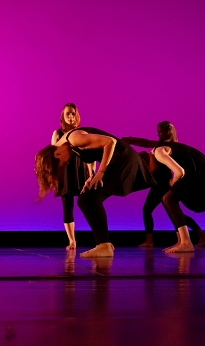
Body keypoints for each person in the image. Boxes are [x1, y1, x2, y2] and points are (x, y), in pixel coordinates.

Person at [36, 127, 165, 258]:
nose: (66, 163)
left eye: (62, 164)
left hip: (122, 160)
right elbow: (93, 151)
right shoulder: (69, 145)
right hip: (119, 161)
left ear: (57, 155)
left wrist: (101, 172)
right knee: (87, 198)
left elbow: (110, 142)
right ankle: (104, 244)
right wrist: (91, 177)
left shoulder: (74, 139)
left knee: (87, 199)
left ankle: (104, 245)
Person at [124, 121, 205, 252]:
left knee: (166, 201)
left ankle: (185, 242)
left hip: (186, 175)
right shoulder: (169, 146)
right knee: (171, 207)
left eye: (160, 132)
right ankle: (185, 240)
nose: (158, 134)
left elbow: (176, 171)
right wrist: (131, 140)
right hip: (201, 170)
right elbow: (146, 143)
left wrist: (173, 180)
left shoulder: (159, 150)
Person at [50, 103, 94, 250]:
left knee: (89, 204)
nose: (70, 116)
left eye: (73, 113)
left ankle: (101, 240)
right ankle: (72, 241)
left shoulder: (82, 132)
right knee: (67, 206)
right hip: (65, 173)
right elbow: (53, 155)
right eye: (67, 114)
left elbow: (91, 154)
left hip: (81, 170)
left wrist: (92, 174)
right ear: (63, 116)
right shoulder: (57, 133)